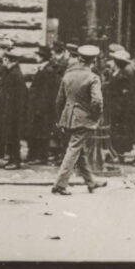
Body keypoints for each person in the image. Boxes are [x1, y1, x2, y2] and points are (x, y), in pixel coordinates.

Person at [51, 45, 107, 195]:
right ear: (93, 61)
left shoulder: (67, 75)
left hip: (68, 117)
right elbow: (97, 101)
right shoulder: (92, 77)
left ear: (80, 59)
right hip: (83, 119)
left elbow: (59, 101)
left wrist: (59, 119)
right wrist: (95, 116)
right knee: (74, 149)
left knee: (78, 149)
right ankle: (60, 185)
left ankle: (91, 182)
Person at [0, 49, 28, 170]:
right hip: (9, 111)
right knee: (10, 136)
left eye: (5, 60)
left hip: (14, 112)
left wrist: (15, 112)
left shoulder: (15, 74)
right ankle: (12, 159)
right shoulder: (11, 72)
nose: (3, 62)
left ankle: (15, 161)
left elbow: (20, 96)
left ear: (9, 60)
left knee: (13, 137)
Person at [26, 45, 60, 164]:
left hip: (42, 109)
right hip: (39, 107)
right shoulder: (43, 69)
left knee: (41, 133)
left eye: (37, 55)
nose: (36, 57)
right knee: (37, 132)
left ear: (42, 57)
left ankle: (40, 157)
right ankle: (36, 156)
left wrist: (39, 109)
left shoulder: (47, 71)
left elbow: (45, 92)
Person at [106, 49, 135, 159]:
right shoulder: (116, 73)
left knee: (119, 130)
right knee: (115, 129)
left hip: (119, 108)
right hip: (115, 106)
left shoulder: (123, 76)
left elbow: (123, 94)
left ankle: (118, 152)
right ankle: (115, 151)